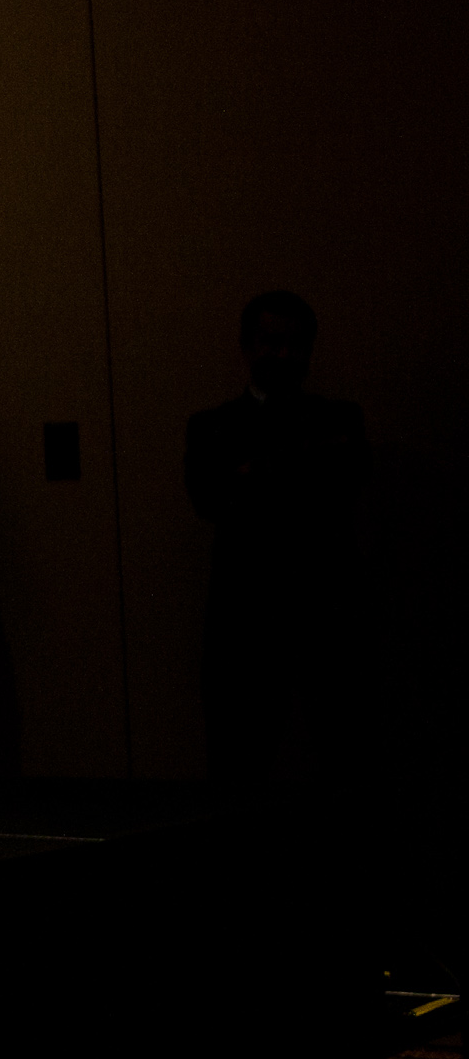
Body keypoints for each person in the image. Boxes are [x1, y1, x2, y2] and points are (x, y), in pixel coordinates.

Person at [185, 290, 366, 781]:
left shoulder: (340, 422)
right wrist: (298, 467)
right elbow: (210, 497)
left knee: (345, 755)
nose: (284, 354)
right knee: (237, 766)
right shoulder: (210, 429)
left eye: (295, 343)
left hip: (325, 621)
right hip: (245, 627)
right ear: (246, 347)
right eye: (271, 341)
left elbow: (343, 482)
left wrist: (252, 473)